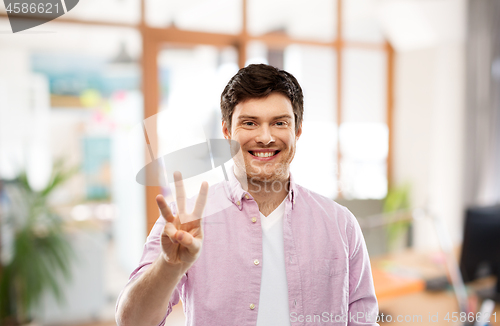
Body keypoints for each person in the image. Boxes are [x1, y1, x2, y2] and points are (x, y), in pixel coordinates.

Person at [115, 64, 379, 326]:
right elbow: (130, 322)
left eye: (279, 123)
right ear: (227, 132)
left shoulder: (341, 224)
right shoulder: (184, 222)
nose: (265, 137)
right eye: (249, 123)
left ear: (297, 131)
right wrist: (169, 266)